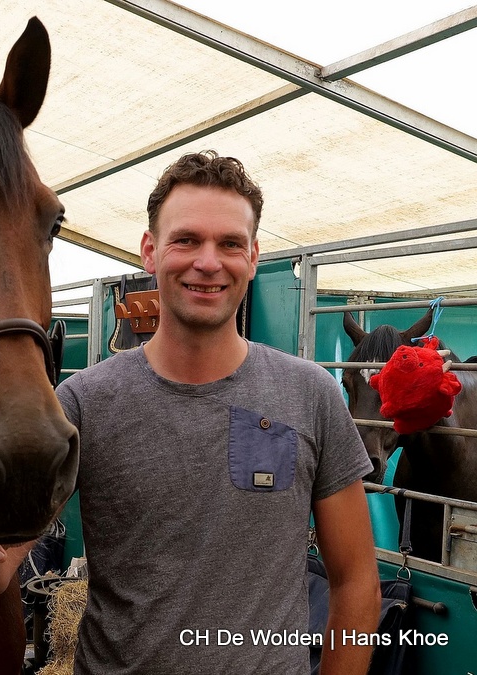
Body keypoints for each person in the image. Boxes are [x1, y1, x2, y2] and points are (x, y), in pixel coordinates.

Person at [55, 151, 380, 674]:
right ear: (150, 251)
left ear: (252, 257)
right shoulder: (83, 403)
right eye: (186, 239)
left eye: (229, 244)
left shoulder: (310, 395)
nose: (208, 262)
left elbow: (355, 580)